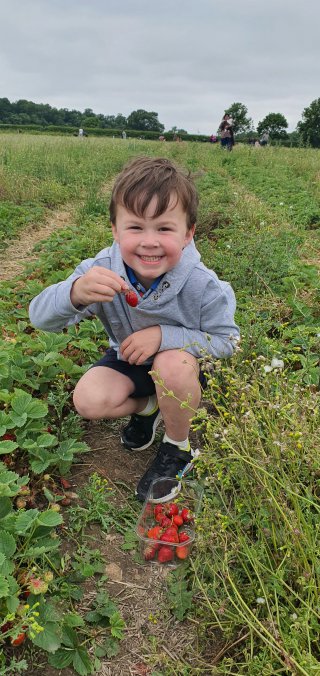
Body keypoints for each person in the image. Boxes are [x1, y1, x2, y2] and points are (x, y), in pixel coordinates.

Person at [29, 157, 240, 501]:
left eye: (164, 228)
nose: (149, 241)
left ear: (189, 233)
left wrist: (163, 336)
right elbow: (40, 317)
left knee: (171, 363)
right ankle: (148, 407)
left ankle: (177, 444)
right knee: (88, 400)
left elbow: (228, 341)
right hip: (129, 360)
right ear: (115, 229)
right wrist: (75, 292)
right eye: (136, 227)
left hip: (181, 372)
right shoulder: (100, 271)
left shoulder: (203, 286)